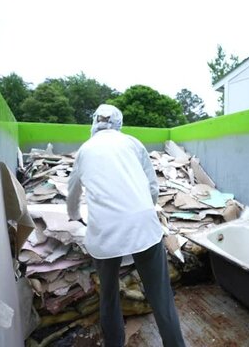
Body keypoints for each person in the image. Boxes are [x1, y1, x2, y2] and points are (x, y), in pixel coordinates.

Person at [66, 104, 186, 347]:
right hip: (144, 227)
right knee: (161, 298)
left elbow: (73, 192)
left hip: (104, 233)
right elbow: (152, 186)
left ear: (94, 122)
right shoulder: (132, 143)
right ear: (118, 123)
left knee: (109, 297)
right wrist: (143, 210)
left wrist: (74, 215)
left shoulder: (84, 150)